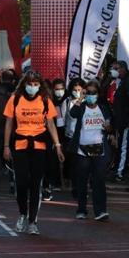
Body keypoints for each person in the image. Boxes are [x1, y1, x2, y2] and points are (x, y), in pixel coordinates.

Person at [3, 71, 65, 235]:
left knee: (35, 184)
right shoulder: (15, 99)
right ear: (24, 84)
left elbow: (51, 123)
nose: (32, 87)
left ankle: (32, 221)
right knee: (21, 182)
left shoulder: (45, 100)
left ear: (40, 85)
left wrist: (57, 145)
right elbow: (9, 123)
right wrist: (6, 146)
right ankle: (23, 213)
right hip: (20, 144)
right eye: (30, 84)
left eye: (36, 84)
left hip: (39, 146)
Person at [68, 81, 112, 221]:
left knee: (99, 180)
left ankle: (101, 211)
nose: (91, 95)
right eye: (88, 93)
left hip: (100, 149)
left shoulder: (104, 109)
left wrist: (108, 127)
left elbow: (111, 126)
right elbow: (72, 114)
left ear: (98, 94)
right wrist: (81, 98)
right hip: (82, 150)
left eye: (94, 93)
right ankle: (81, 210)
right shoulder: (81, 108)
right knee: (82, 180)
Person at [62, 78, 86, 195]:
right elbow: (69, 117)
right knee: (73, 162)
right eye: (75, 89)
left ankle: (80, 186)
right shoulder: (67, 102)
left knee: (82, 163)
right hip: (70, 136)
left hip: (84, 137)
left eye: (79, 89)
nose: (77, 92)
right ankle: (74, 184)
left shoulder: (88, 101)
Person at [110, 61, 129, 181]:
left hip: (126, 121)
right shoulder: (120, 82)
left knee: (123, 147)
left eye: (116, 69)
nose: (114, 71)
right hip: (121, 119)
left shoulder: (127, 82)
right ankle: (120, 170)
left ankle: (120, 172)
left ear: (123, 69)